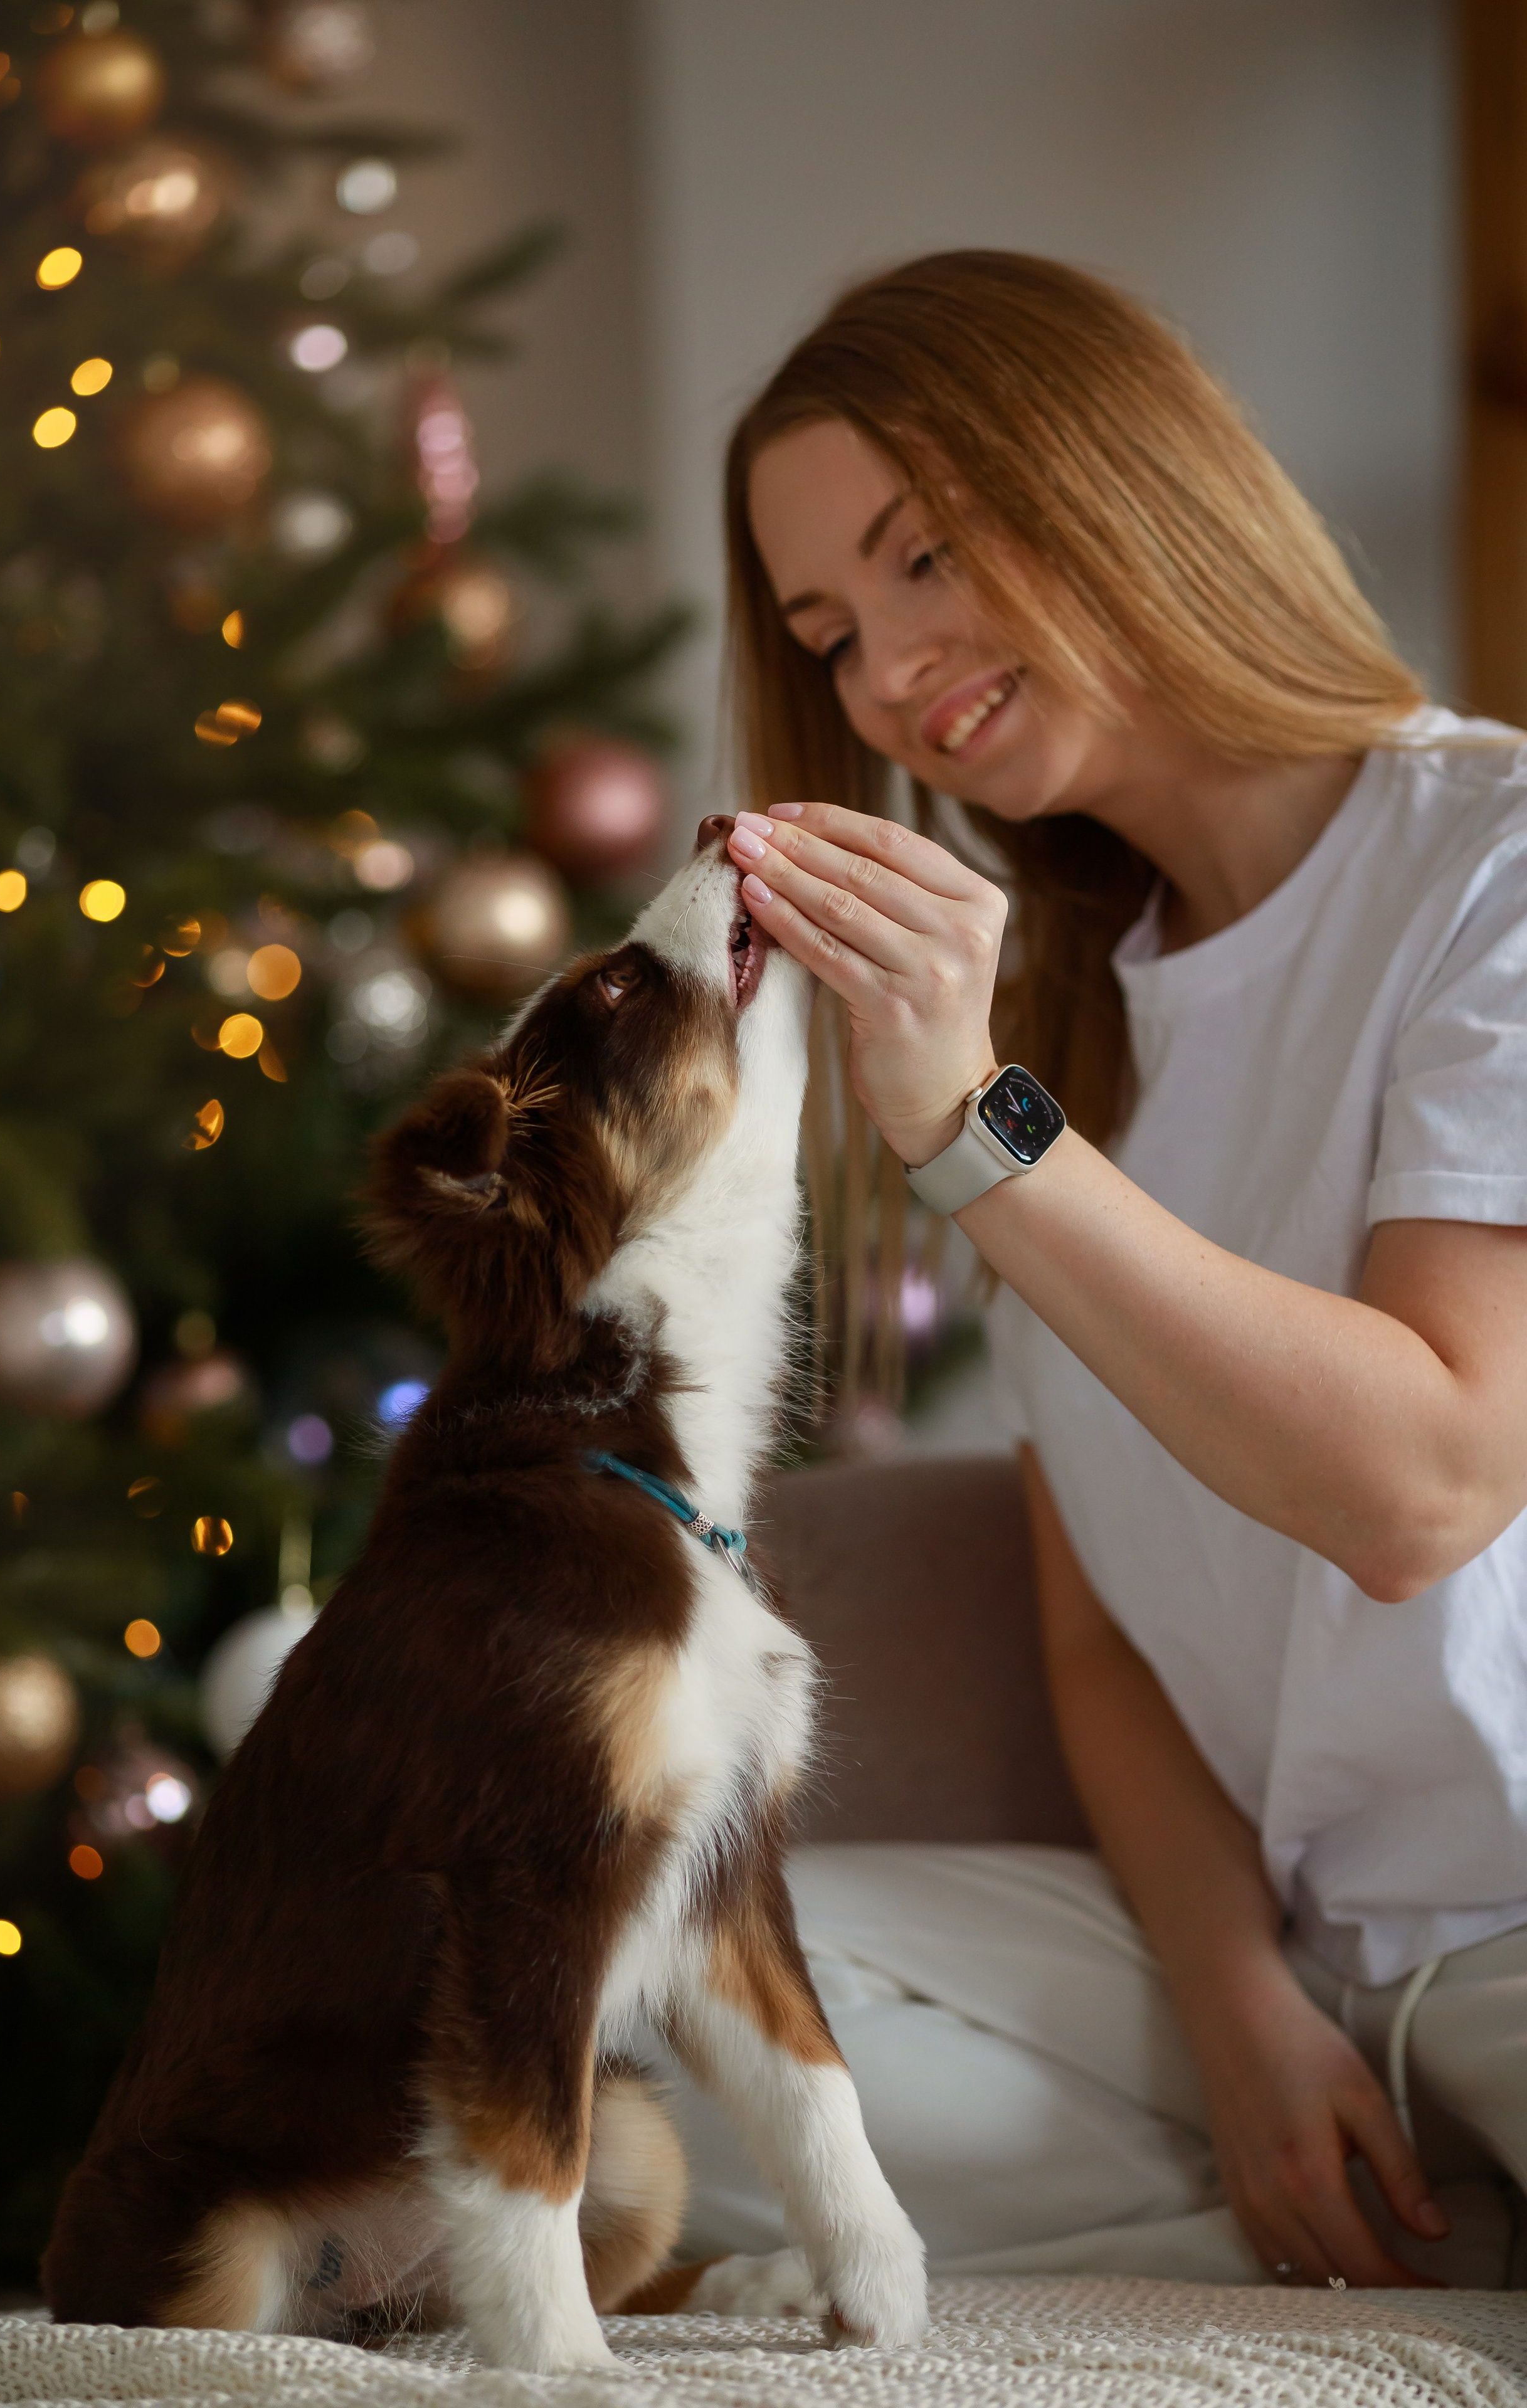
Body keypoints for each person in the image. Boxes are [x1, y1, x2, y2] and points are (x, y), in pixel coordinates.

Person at [668, 251, 1527, 2293]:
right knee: (604, 2023)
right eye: (830, 631)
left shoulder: (1492, 861)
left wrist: (974, 1125)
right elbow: (1105, 1647)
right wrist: (1241, 2017)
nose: (887, 675)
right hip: (1296, 1966)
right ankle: (1403, 2211)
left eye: (927, 558)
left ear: (1117, 474)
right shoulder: (1060, 1019)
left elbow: (1425, 1483)